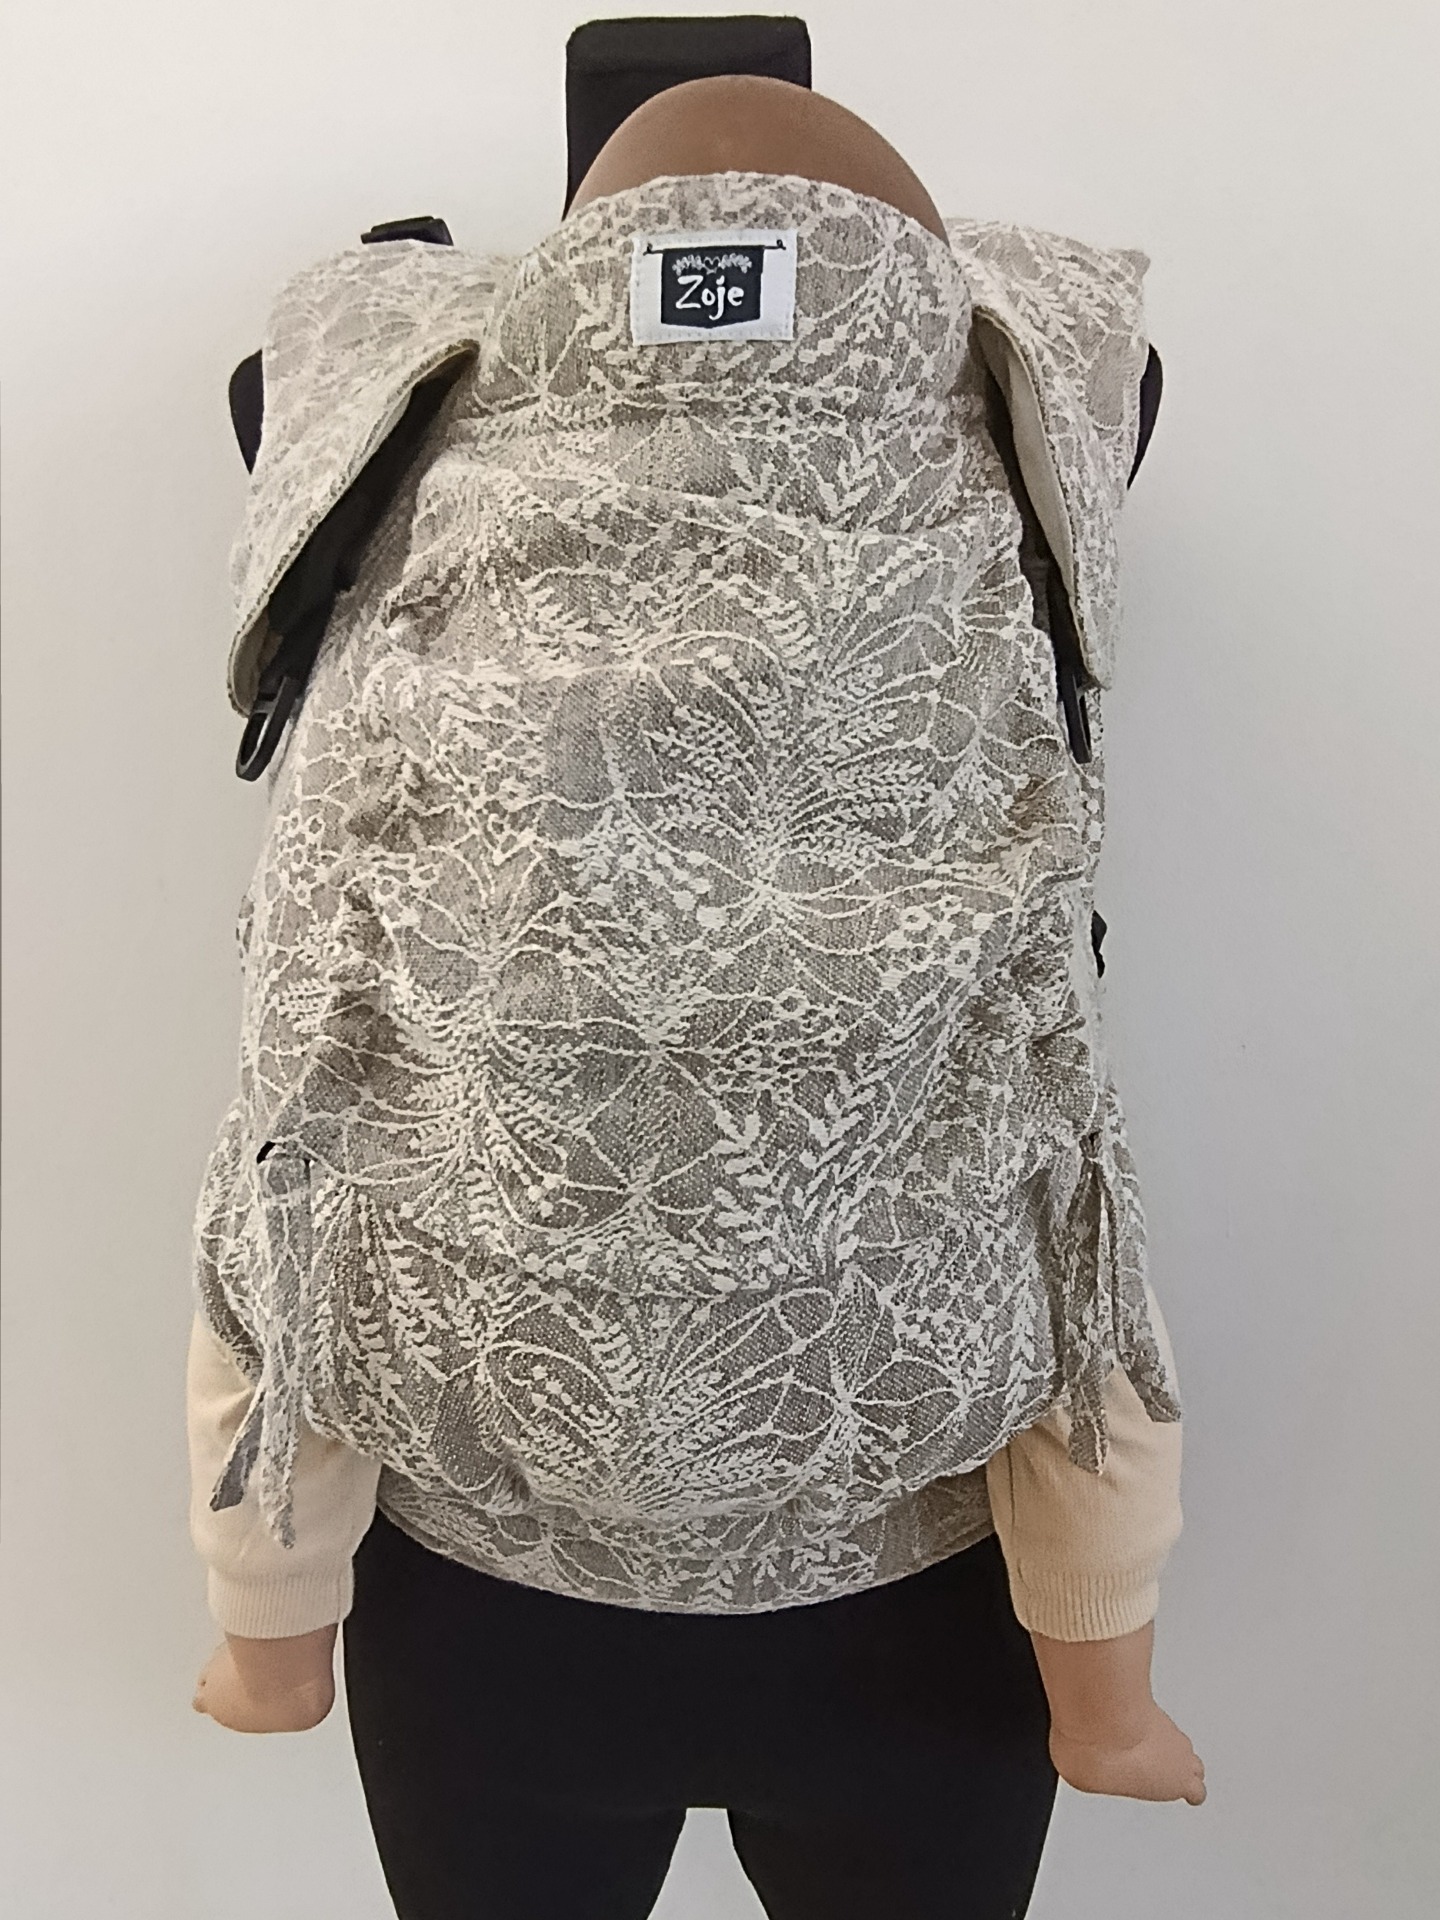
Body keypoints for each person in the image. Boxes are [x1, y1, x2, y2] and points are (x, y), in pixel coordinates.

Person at [189, 74, 1203, 1920]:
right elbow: (1073, 1219)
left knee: (301, 1196)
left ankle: (268, 1639)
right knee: (1065, 1228)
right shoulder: (1051, 375)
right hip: (925, 1583)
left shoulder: (355, 387)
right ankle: (1105, 1693)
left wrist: (270, 1614)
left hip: (471, 1608)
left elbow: (298, 1162)